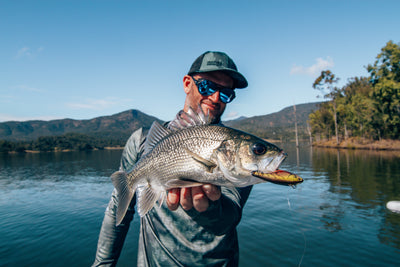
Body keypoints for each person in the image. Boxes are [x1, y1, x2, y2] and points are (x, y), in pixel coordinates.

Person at [92, 51, 251, 267]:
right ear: (187, 84)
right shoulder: (141, 142)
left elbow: (230, 217)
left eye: (225, 94)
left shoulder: (237, 149)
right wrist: (103, 264)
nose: (215, 98)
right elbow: (118, 209)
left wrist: (210, 206)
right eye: (207, 87)